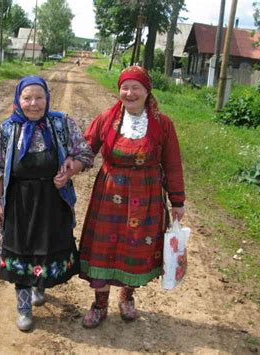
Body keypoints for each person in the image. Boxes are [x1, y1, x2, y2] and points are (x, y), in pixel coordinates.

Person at [78, 66, 185, 328]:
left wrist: (177, 200)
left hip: (146, 197)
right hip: (109, 194)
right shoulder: (106, 119)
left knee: (135, 247)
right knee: (102, 249)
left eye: (136, 87)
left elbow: (172, 164)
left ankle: (127, 297)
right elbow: (85, 149)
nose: (130, 92)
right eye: (125, 87)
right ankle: (99, 304)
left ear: (147, 91)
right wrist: (66, 168)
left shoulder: (162, 124)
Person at [0, 75, 94, 332]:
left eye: (39, 97)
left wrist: (71, 170)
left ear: (48, 98)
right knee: (21, 250)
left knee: (45, 247)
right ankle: (24, 307)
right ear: (18, 99)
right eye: (27, 98)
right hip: (19, 202)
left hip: (53, 200)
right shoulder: (8, 130)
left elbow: (86, 153)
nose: (33, 104)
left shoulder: (61, 123)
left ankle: (39, 285)